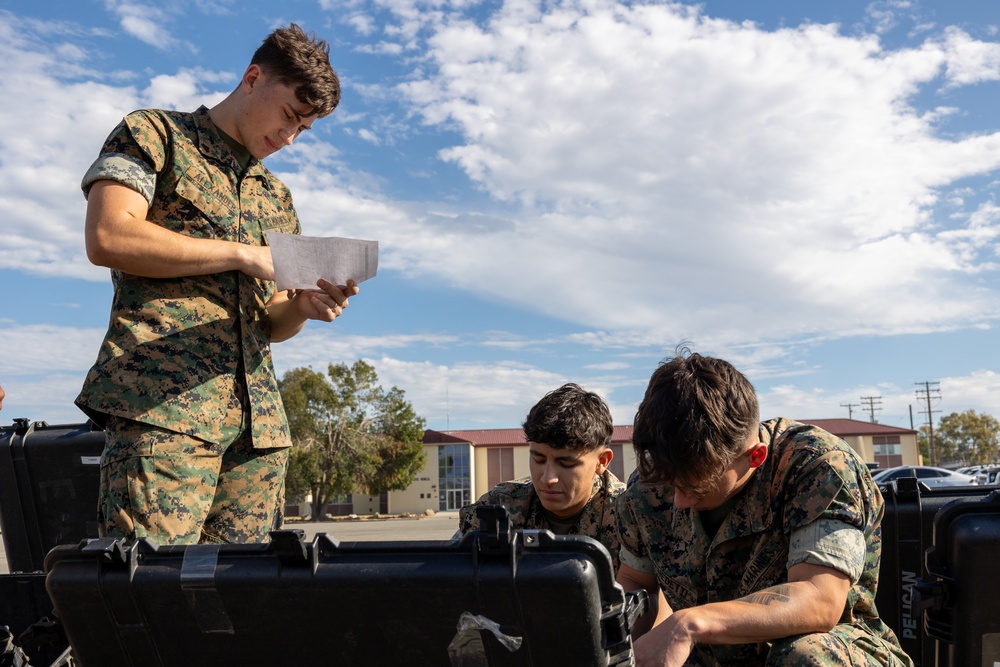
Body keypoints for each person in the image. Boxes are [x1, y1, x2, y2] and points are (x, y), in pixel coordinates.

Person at [76, 24, 356, 546]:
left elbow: (271, 322)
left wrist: (304, 306)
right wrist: (243, 255)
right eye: (290, 116)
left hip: (258, 436)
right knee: (150, 600)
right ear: (253, 78)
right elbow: (109, 235)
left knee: (237, 610)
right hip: (163, 413)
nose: (290, 137)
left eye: (305, 129)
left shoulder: (277, 197)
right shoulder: (155, 135)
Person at [616, 351, 912, 666]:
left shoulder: (815, 466)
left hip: (834, 651)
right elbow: (635, 585)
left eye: (696, 486)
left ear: (755, 457)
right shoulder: (649, 485)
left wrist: (688, 624)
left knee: (805, 656)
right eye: (671, 484)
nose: (679, 501)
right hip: (708, 660)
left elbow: (820, 600)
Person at [458, 383, 625, 567]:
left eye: (566, 463)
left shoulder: (629, 513)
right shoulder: (498, 507)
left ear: (601, 461)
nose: (548, 478)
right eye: (539, 459)